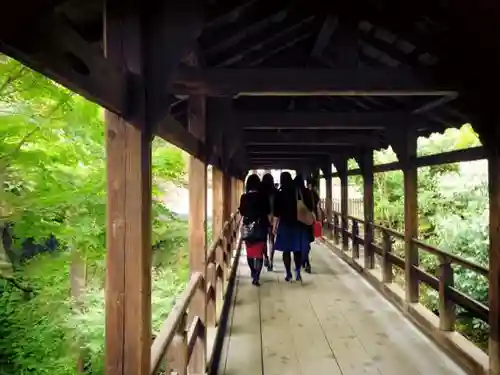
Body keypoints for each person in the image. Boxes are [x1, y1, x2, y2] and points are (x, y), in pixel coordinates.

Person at [273, 172, 311, 282]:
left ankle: (288, 273)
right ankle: (298, 271)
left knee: (286, 251)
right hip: (297, 224)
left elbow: (276, 213)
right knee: (297, 250)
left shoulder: (279, 194)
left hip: (285, 225)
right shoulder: (297, 191)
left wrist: (274, 227)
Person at [239, 174, 270, 286]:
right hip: (261, 226)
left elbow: (242, 212)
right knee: (259, 253)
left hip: (249, 228)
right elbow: (268, 210)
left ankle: (252, 271)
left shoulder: (244, 197)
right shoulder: (263, 196)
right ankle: (257, 275)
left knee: (250, 253)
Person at [303, 177, 321, 273]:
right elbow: (317, 208)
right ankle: (306, 261)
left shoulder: (302, 193)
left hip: (300, 219)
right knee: (307, 242)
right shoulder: (314, 194)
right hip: (310, 219)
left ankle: (305, 261)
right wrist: (318, 219)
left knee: (302, 241)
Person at [261, 173, 277, 271]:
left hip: (263, 219)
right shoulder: (275, 191)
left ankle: (265, 257)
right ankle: (271, 260)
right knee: (271, 240)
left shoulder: (261, 192)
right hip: (273, 219)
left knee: (263, 240)